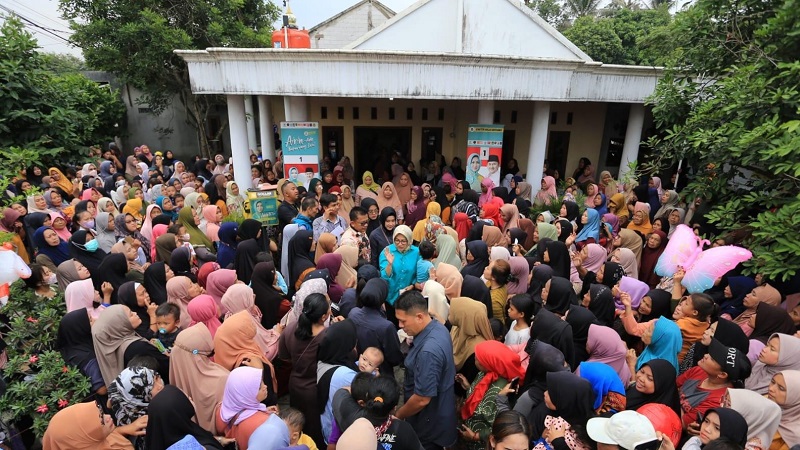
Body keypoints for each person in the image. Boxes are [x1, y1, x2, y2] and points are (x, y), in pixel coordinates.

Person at [394, 290, 457, 450]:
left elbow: (422, 399)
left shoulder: (428, 352)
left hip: (429, 422)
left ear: (420, 317)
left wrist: (399, 415)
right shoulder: (438, 328)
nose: (400, 326)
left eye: (403, 321)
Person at [457, 340, 524, 449]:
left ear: (488, 363)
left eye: (478, 358)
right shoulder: (484, 374)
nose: (475, 359)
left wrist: (476, 436)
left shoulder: (501, 391)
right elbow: (480, 397)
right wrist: (468, 387)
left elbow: (500, 427)